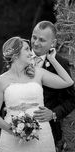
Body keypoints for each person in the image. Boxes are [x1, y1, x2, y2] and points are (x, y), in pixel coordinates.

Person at [0, 36, 74, 152]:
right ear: (15, 55)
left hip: (42, 133)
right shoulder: (0, 81)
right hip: (11, 138)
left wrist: (52, 59)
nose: (31, 53)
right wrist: (13, 130)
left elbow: (68, 82)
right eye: (27, 49)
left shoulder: (38, 73)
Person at [31, 21, 75, 150]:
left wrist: (53, 114)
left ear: (53, 43)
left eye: (42, 40)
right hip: (13, 127)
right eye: (34, 37)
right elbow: (4, 88)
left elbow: (72, 99)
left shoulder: (61, 63)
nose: (36, 43)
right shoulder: (18, 56)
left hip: (46, 130)